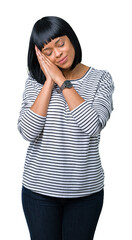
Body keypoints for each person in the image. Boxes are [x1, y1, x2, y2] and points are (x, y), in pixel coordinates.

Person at [17, 16, 114, 240]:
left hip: (85, 193)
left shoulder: (101, 79)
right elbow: (28, 132)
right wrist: (49, 80)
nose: (57, 54)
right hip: (39, 192)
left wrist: (62, 80)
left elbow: (92, 125)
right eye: (48, 51)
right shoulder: (35, 81)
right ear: (40, 56)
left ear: (71, 39)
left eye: (60, 43)